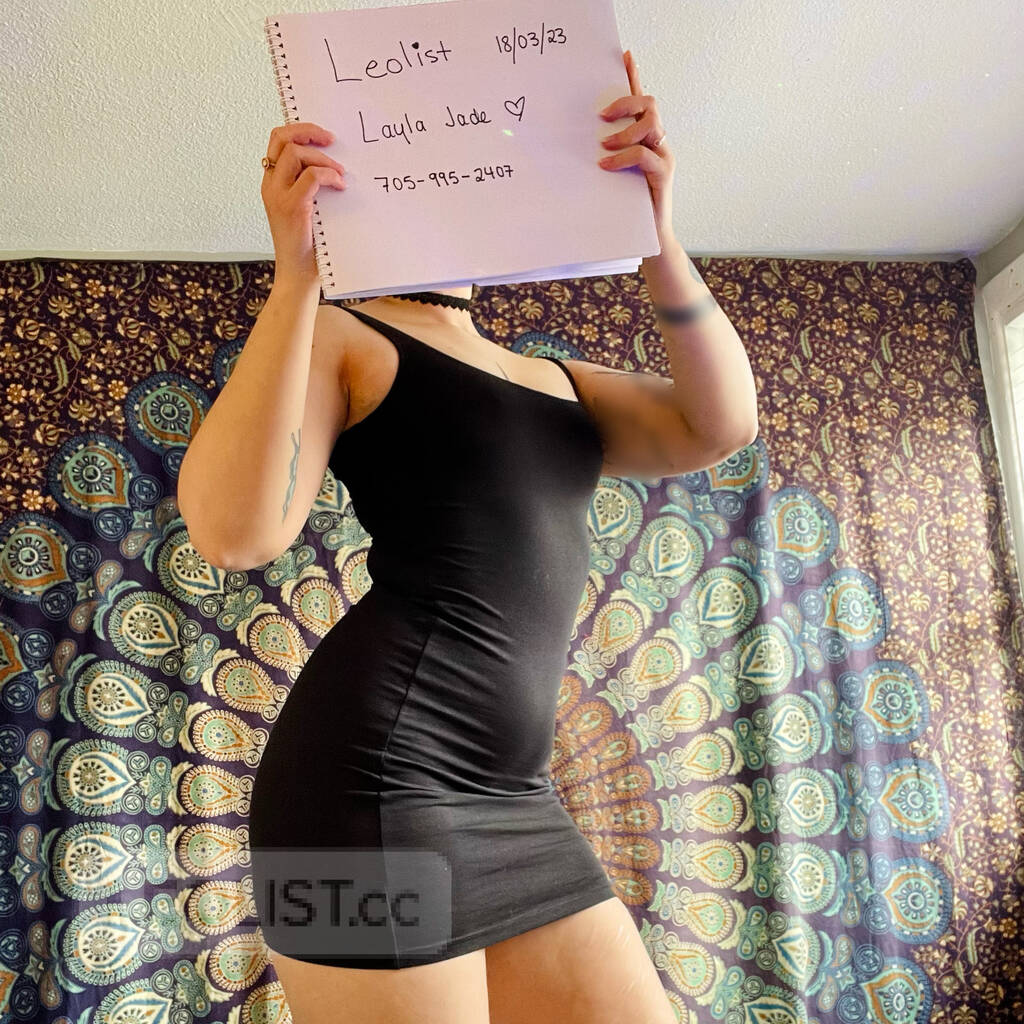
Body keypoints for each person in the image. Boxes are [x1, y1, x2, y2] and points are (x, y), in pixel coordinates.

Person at [177, 50, 750, 1024]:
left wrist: (654, 234)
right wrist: (299, 278)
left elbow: (719, 424)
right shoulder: (347, 337)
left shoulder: (554, 379)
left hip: (514, 797)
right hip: (357, 795)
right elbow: (234, 535)